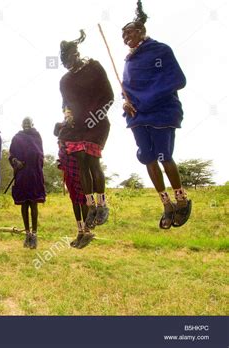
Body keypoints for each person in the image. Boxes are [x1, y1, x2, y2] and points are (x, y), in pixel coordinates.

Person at [121, 0, 191, 229]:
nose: (125, 37)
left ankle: (182, 200)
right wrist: (126, 102)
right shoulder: (129, 61)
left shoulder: (161, 51)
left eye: (129, 32)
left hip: (161, 112)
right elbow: (128, 90)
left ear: (141, 31)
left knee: (164, 157)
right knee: (148, 158)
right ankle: (166, 203)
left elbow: (178, 80)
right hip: (138, 117)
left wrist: (149, 98)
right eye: (122, 35)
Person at [59, 30, 114, 241]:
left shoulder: (94, 67)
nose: (66, 64)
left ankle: (102, 204)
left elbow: (109, 97)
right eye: (63, 61)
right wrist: (68, 115)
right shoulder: (64, 81)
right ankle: (91, 206)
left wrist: (94, 118)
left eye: (68, 58)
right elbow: (65, 104)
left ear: (76, 52)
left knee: (92, 162)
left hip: (97, 124)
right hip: (76, 128)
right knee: (81, 163)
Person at [54, 116, 91, 249]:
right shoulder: (61, 131)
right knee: (74, 200)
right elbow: (55, 132)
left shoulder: (78, 130)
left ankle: (87, 231)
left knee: (83, 200)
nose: (67, 115)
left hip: (79, 169)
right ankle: (80, 231)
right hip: (67, 170)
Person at [9, 117, 46, 249]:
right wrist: (15, 162)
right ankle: (27, 234)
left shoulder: (37, 136)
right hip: (21, 174)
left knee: (34, 204)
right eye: (24, 123)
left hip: (35, 174)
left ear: (32, 124)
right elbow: (11, 155)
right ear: (21, 124)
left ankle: (34, 235)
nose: (26, 125)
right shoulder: (17, 138)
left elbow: (40, 154)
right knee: (24, 204)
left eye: (28, 123)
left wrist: (34, 160)